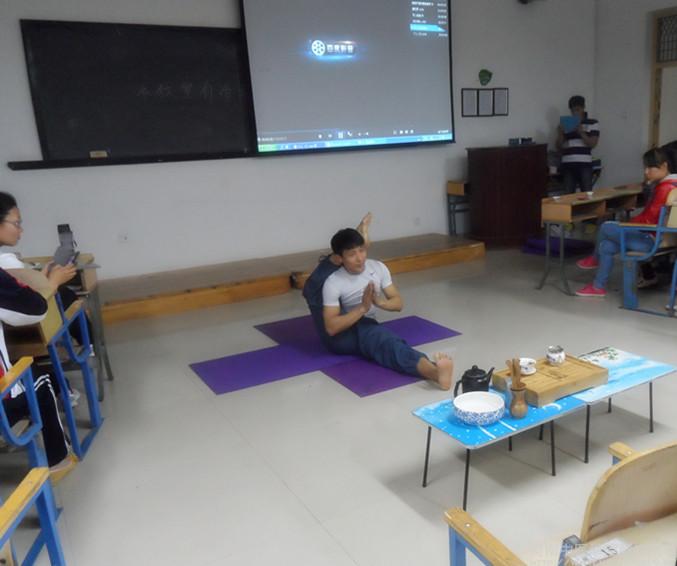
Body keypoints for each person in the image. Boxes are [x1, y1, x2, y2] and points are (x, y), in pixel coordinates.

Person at [303, 218, 453, 390]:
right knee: (312, 291)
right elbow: (331, 328)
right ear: (339, 259)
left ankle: (435, 372)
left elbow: (398, 303)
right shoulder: (333, 281)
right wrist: (363, 308)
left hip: (363, 323)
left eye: (362, 250)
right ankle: (434, 372)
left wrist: (379, 302)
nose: (360, 259)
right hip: (340, 337)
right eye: (352, 254)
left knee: (385, 341)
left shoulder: (377, 267)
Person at [575, 147, 677, 297]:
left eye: (650, 167)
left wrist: (626, 223)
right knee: (606, 246)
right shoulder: (673, 185)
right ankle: (598, 287)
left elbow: (648, 220)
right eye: (645, 168)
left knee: (606, 226)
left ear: (664, 166)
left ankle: (594, 259)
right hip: (665, 240)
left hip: (652, 241)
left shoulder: (664, 188)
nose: (646, 172)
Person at [557, 95, 600, 192]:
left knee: (587, 194)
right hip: (567, 164)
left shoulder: (593, 123)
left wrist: (581, 132)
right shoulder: (566, 123)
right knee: (568, 196)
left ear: (583, 108)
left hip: (584, 164)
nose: (575, 113)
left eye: (577, 110)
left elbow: (593, 144)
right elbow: (559, 147)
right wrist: (560, 133)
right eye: (572, 111)